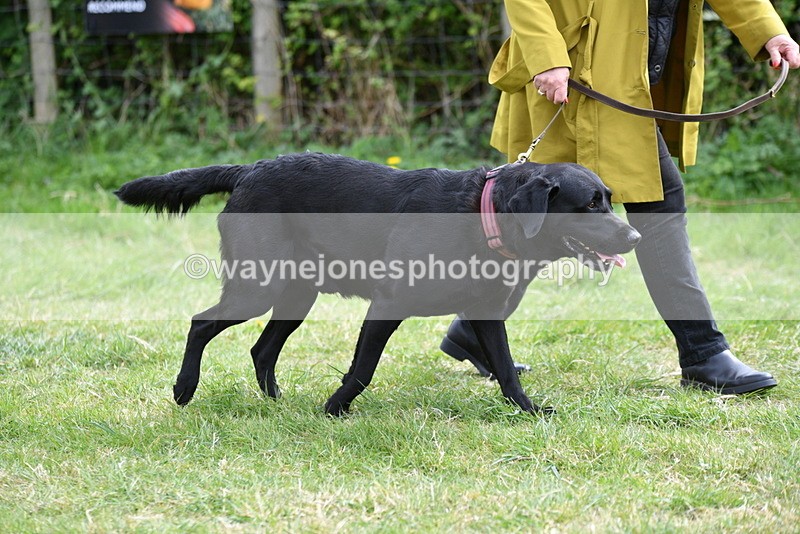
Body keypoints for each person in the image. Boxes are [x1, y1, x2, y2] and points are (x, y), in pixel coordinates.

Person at [440, 0, 800, 394]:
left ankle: (474, 329)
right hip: (570, 71)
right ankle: (703, 354)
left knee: (544, 220)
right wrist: (545, 54)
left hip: (635, 71)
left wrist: (767, 29)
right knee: (648, 201)